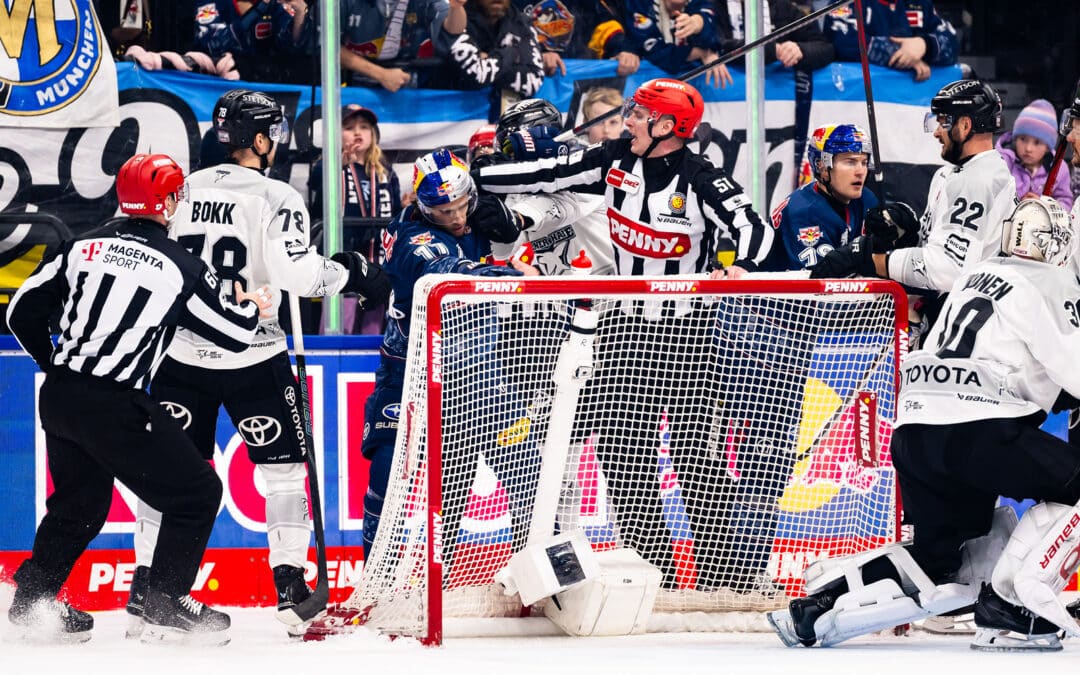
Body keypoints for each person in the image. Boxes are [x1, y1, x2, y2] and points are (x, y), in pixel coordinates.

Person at [475, 78, 774, 593]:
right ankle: (655, 577)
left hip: (689, 338)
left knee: (694, 459)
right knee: (623, 459)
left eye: (638, 114)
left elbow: (755, 228)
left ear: (666, 127)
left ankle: (734, 580)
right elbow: (545, 172)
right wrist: (472, 173)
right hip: (623, 330)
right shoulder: (615, 158)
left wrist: (742, 267)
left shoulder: (701, 176)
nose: (626, 120)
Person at [125, 90, 392, 638]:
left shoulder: (180, 184)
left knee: (169, 474)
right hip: (255, 352)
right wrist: (349, 274)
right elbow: (297, 276)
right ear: (262, 138)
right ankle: (292, 590)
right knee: (283, 473)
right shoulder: (275, 194)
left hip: (180, 354)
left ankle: (148, 589)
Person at [770, 196, 1080, 651]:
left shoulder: (976, 273)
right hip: (977, 430)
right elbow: (1071, 369)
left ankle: (816, 607)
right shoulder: (1052, 280)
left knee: (945, 559)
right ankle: (1014, 603)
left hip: (915, 433)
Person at [6, 153, 272, 645]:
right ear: (168, 201)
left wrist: (57, 364)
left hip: (62, 397)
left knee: (79, 505)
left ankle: (32, 601)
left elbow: (20, 311)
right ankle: (165, 601)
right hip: (116, 404)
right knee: (197, 494)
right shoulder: (179, 265)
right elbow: (232, 335)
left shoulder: (78, 246)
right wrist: (254, 306)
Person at [360, 148, 536, 561]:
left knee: (525, 472)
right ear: (420, 206)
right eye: (442, 212)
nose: (456, 218)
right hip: (410, 374)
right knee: (387, 475)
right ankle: (373, 581)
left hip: (480, 372)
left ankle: (531, 573)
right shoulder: (411, 237)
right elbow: (450, 274)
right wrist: (515, 275)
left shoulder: (478, 211)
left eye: (462, 206)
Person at [811, 80, 1015, 343]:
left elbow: (947, 269)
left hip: (968, 330)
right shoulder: (952, 174)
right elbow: (934, 244)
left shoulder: (978, 181)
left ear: (964, 126)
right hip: (948, 317)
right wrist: (906, 228)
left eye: (943, 122)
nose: (936, 132)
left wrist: (872, 259)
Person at [487, 98, 615, 275]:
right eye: (507, 147)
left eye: (515, 146)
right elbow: (501, 251)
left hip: (615, 288)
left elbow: (556, 207)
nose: (511, 156)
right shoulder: (521, 190)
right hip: (567, 296)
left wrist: (516, 217)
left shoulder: (583, 168)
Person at [309, 104, 402, 334]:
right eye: (350, 127)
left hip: (379, 265)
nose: (358, 132)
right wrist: (338, 165)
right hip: (344, 267)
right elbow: (317, 205)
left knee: (374, 336)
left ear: (374, 134)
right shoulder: (327, 166)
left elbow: (397, 216)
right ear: (337, 134)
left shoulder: (385, 172)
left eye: (364, 127)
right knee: (338, 332)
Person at [764, 123, 880, 272]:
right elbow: (821, 284)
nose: (860, 171)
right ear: (822, 167)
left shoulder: (866, 199)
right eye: (850, 162)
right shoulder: (802, 212)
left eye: (864, 162)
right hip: (777, 294)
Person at [439, 0, 545, 118]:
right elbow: (476, 75)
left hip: (506, 123)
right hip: (451, 119)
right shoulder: (457, 18)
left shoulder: (521, 22)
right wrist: (513, 53)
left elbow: (533, 79)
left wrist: (490, 60)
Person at [341, 0, 466, 91]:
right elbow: (328, 47)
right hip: (353, 80)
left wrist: (456, 7)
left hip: (404, 79)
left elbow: (454, 30)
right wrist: (381, 74)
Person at [818, 0, 958, 82]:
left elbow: (953, 42)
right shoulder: (846, 2)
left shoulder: (920, 4)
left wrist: (925, 45)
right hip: (855, 103)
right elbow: (843, 42)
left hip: (907, 107)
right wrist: (905, 55)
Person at [614, 0, 732, 88]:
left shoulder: (703, 3)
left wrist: (698, 23)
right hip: (643, 87)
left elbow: (717, 38)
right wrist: (701, 53)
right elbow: (655, 50)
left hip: (688, 92)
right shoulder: (640, 3)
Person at [714, 0, 835, 72]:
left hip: (778, 100)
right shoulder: (711, 5)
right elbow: (717, 46)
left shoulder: (783, 6)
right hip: (722, 97)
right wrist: (771, 50)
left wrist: (800, 50)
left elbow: (825, 48)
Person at [996, 99, 1073, 208]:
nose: (1028, 148)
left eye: (1037, 142)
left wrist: (1044, 205)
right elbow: (992, 196)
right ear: (1015, 138)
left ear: (1047, 147)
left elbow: (1065, 202)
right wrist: (1017, 203)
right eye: (1023, 139)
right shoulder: (1003, 162)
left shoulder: (1059, 168)